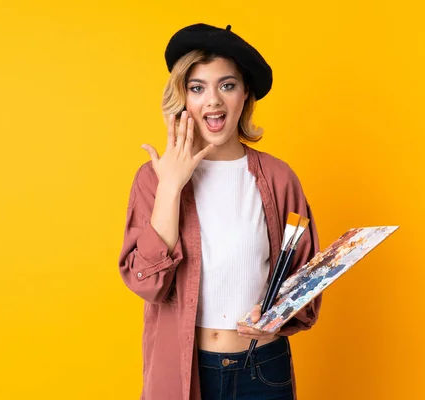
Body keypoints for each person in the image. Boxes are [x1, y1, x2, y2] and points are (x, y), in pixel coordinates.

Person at [117, 23, 323, 400]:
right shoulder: (153, 179)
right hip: (185, 371)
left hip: (262, 370)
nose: (212, 100)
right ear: (183, 97)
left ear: (245, 95)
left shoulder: (279, 178)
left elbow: (305, 281)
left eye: (226, 85)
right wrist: (171, 187)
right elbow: (147, 283)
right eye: (197, 88)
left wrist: (277, 321)